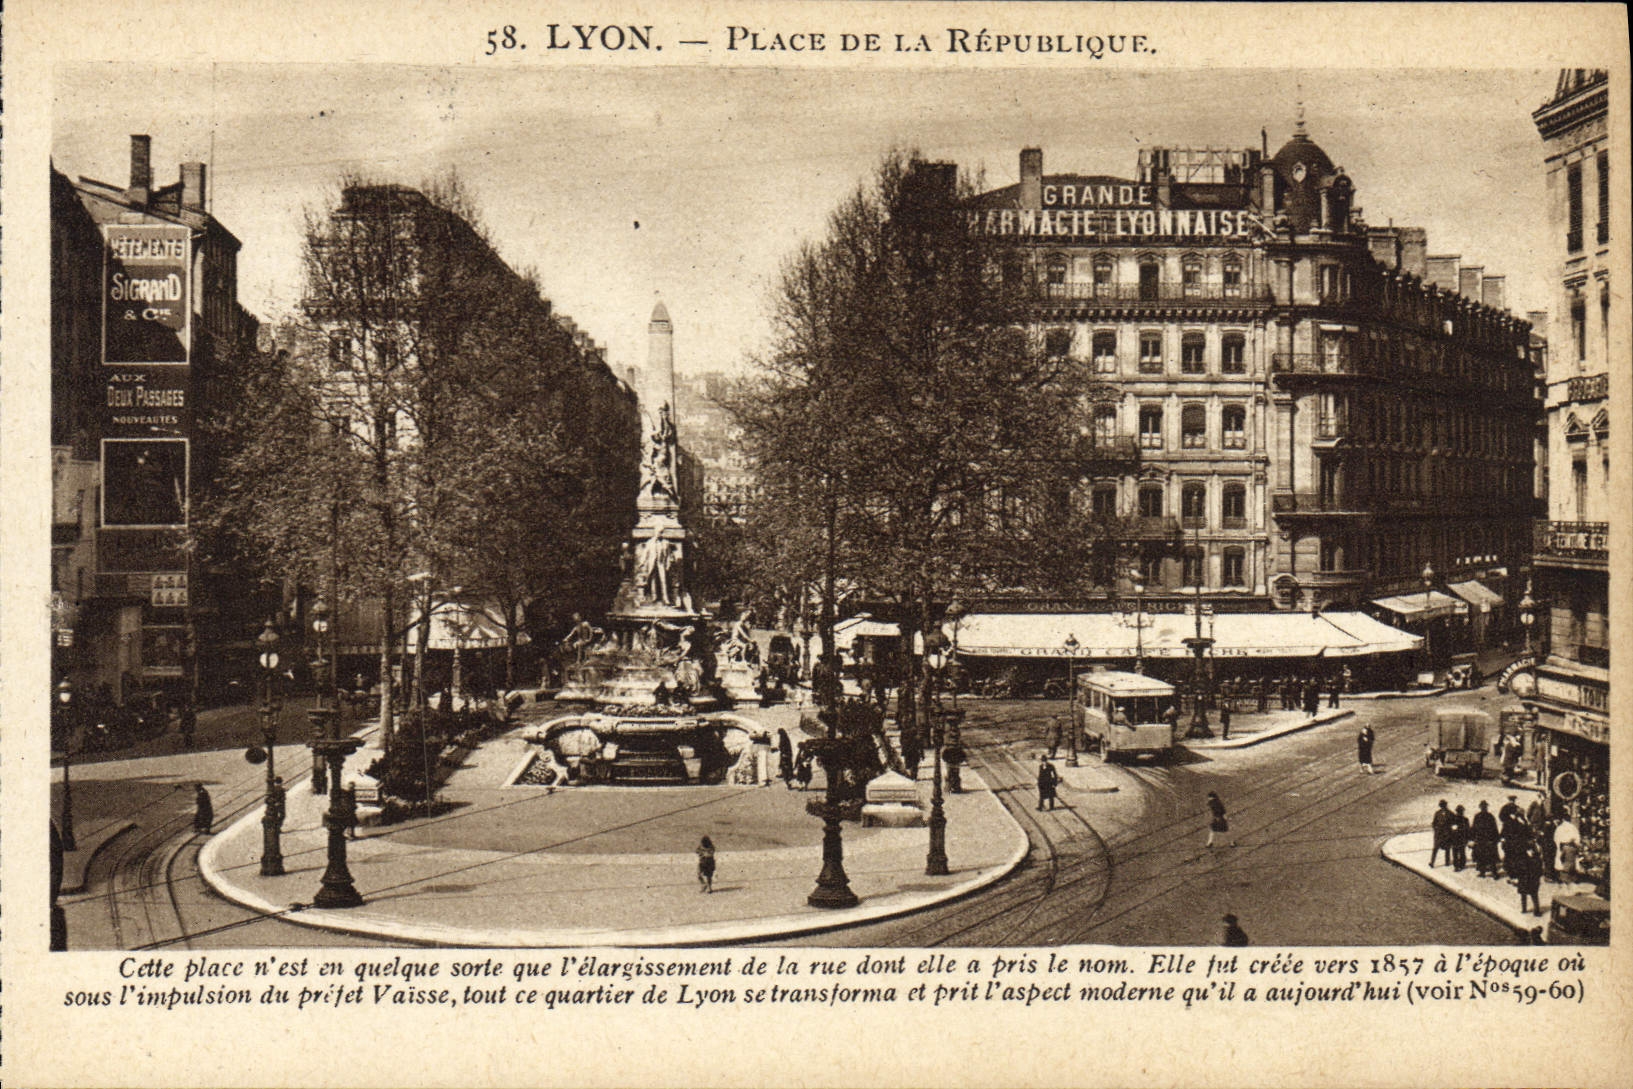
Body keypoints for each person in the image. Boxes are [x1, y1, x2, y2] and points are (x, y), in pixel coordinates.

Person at [1470, 800, 1501, 878]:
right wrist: (1496, 839)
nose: (1484, 808)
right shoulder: (1490, 816)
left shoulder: (1478, 816)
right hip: (1487, 840)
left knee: (1482, 857)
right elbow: (1495, 829)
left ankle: (1484, 873)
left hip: (1482, 840)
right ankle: (1492, 873)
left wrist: (1472, 838)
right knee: (1489, 857)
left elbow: (1473, 829)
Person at [1513, 842, 1543, 916]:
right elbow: (1540, 870)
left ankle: (1524, 909)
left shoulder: (1522, 858)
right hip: (1532, 880)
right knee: (1534, 896)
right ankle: (1536, 911)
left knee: (1524, 895)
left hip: (1524, 879)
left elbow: (1518, 868)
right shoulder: (1537, 859)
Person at [1553, 814, 1581, 881]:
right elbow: (1577, 838)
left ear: (1563, 820)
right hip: (1571, 846)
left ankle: (1563, 877)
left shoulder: (1560, 828)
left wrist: (1558, 845)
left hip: (1562, 846)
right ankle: (1572, 877)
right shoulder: (1573, 827)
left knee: (1562, 861)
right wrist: (1576, 846)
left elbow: (1556, 838)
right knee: (1571, 862)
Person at [1429, 799, 1453, 868]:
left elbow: (1454, 822)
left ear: (1446, 805)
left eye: (1444, 805)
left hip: (1447, 834)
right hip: (1439, 834)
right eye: (1441, 805)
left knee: (1447, 848)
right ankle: (1432, 862)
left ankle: (1447, 862)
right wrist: (1436, 829)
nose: (1443, 807)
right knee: (1435, 848)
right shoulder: (1437, 813)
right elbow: (1434, 823)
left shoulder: (1450, 813)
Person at [1447, 804, 1470, 871]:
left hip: (1456, 839)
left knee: (1456, 853)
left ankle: (1457, 866)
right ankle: (1461, 865)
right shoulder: (1465, 819)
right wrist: (1467, 838)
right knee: (1461, 852)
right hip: (1460, 838)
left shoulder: (1453, 819)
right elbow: (1468, 830)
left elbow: (1450, 830)